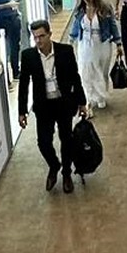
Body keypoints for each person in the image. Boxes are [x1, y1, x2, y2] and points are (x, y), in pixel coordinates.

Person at [18, 20, 87, 194]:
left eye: (41, 36)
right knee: (43, 142)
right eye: (35, 37)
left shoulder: (65, 51)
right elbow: (24, 85)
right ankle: (54, 165)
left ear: (50, 34)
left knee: (67, 139)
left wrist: (82, 102)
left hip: (64, 104)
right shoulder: (28, 56)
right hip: (44, 106)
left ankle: (66, 173)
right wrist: (22, 111)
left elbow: (75, 78)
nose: (38, 40)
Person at [69, 0, 123, 116]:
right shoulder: (80, 10)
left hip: (102, 45)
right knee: (85, 72)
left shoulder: (105, 9)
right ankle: (88, 98)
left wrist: (118, 43)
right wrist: (70, 41)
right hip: (85, 45)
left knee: (101, 71)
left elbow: (113, 25)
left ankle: (100, 96)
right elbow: (76, 26)